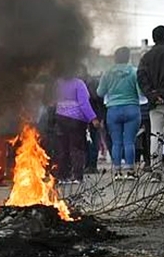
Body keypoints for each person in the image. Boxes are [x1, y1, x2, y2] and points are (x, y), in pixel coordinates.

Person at [97, 47, 142, 180]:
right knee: (129, 142)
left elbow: (100, 92)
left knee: (116, 142)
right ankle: (130, 171)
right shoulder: (134, 72)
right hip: (132, 108)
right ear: (128, 57)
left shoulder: (107, 73)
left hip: (113, 110)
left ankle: (117, 172)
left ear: (115, 58)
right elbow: (140, 92)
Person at [54, 70, 100, 184]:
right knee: (77, 148)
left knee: (63, 148)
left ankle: (62, 176)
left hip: (60, 117)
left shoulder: (58, 84)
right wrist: (93, 118)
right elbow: (84, 104)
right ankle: (77, 176)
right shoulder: (78, 84)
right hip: (76, 120)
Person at [138, 25, 164, 181]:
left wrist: (153, 95)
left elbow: (141, 78)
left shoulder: (146, 58)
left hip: (155, 104)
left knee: (155, 135)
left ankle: (156, 171)